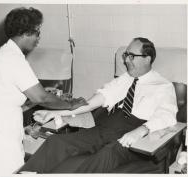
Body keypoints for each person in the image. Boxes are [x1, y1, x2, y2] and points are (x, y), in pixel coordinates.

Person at [18, 37, 178, 173]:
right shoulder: (125, 79)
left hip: (132, 136)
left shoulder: (163, 86)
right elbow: (91, 103)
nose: (126, 60)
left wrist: (141, 130)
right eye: (126, 55)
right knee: (57, 142)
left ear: (147, 58)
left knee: (106, 155)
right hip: (106, 128)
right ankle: (27, 173)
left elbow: (167, 115)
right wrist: (57, 113)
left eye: (131, 56)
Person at [0, 7, 86, 175]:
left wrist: (40, 93)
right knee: (6, 168)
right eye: (37, 33)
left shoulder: (7, 52)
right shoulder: (13, 59)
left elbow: (12, 93)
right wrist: (70, 105)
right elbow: (42, 97)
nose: (38, 38)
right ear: (25, 33)